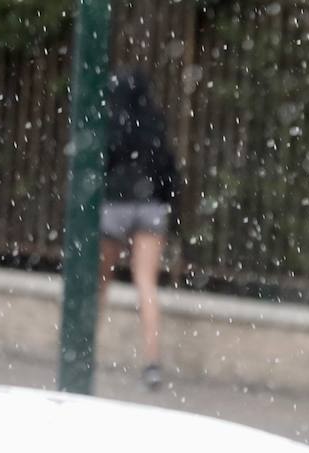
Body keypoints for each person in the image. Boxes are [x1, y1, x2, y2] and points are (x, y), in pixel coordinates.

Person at [99, 68, 178, 392]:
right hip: (151, 206)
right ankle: (151, 362)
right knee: (146, 282)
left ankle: (84, 347)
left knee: (100, 281)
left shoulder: (111, 124)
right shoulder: (155, 126)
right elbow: (170, 173)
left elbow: (99, 164)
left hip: (115, 204)